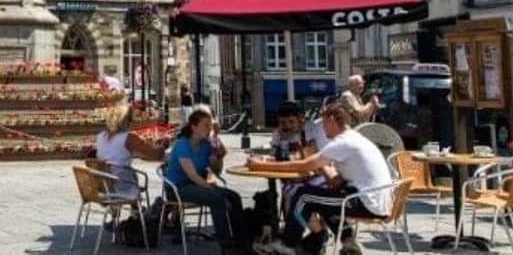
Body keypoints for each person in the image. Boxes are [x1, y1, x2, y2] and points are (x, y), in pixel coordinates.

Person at [262, 103, 395, 254]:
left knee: (305, 196)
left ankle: (287, 245)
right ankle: (346, 241)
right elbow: (336, 181)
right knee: (320, 195)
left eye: (323, 123)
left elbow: (306, 166)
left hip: (367, 203)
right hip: (374, 200)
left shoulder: (342, 142)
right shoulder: (355, 138)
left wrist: (260, 165)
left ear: (331, 120)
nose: (322, 129)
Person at [164, 108, 251, 254]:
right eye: (206, 125)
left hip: (197, 185)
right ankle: (227, 247)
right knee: (216, 198)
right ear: (194, 127)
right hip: (179, 188)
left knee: (234, 197)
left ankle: (242, 243)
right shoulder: (182, 144)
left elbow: (215, 170)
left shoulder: (205, 145)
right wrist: (209, 187)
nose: (209, 129)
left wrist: (218, 155)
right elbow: (192, 175)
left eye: (210, 125)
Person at [93, 103, 163, 198]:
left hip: (102, 183)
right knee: (131, 175)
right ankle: (137, 209)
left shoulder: (101, 136)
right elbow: (155, 155)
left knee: (131, 174)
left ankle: (135, 209)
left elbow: (115, 154)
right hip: (120, 183)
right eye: (131, 119)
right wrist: (164, 145)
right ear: (126, 121)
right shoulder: (128, 138)